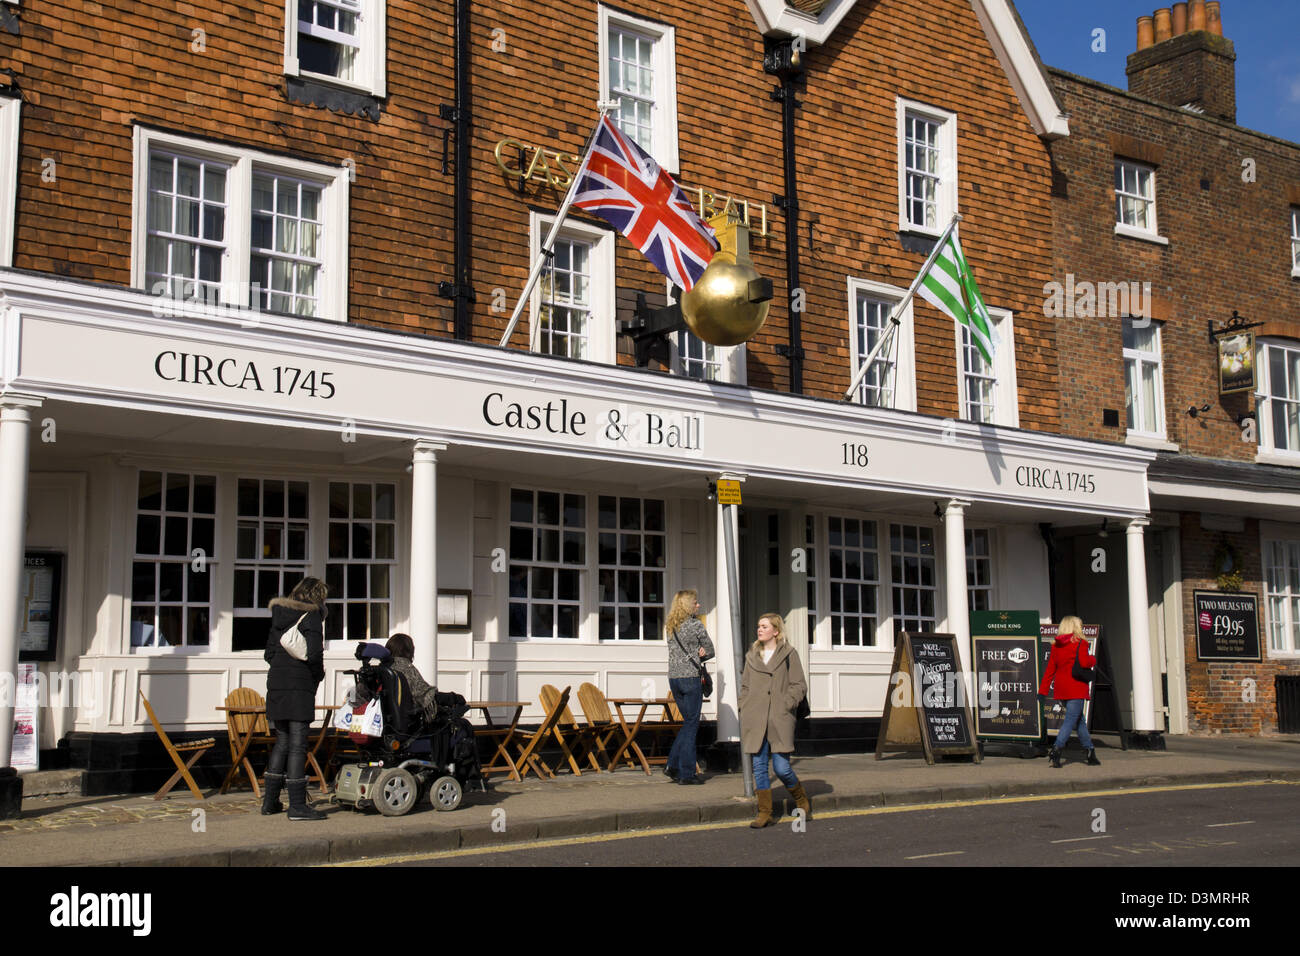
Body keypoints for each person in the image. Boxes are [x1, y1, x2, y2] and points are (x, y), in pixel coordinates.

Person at [263, 577, 329, 821]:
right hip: (299, 685)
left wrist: (283, 668)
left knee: (282, 741)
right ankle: (297, 806)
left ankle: (270, 802)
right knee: (298, 744)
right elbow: (314, 655)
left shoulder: (280, 614)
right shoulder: (311, 616)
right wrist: (316, 677)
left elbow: (269, 653)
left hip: (277, 684)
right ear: (317, 596)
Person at [740, 612, 810, 828]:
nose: (759, 629)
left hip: (779, 717)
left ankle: (800, 798)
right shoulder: (752, 655)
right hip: (756, 717)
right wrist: (744, 706)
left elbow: (799, 684)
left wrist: (786, 703)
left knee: (781, 768)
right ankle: (764, 812)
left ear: (776, 631)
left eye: (764, 626)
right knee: (759, 766)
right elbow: (745, 686)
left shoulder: (789, 654)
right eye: (759, 626)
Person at [665, 589, 714, 785]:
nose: (698, 605)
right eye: (695, 602)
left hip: (674, 678)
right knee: (692, 724)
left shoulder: (670, 626)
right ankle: (686, 773)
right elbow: (710, 650)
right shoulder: (695, 625)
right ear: (687, 605)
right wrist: (701, 654)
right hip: (691, 678)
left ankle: (673, 766)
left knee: (688, 723)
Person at [1039, 615, 1101, 768]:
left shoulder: (1056, 645)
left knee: (1079, 722)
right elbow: (1086, 662)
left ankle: (1090, 751)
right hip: (1076, 688)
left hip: (1061, 690)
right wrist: (1093, 659)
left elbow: (1050, 670)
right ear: (1076, 627)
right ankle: (1057, 748)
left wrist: (1043, 691)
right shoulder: (1081, 643)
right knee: (1070, 721)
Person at [385, 632, 439, 724]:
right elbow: (425, 694)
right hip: (407, 722)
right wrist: (451, 697)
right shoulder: (406, 668)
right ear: (409, 651)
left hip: (387, 721)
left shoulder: (384, 668)